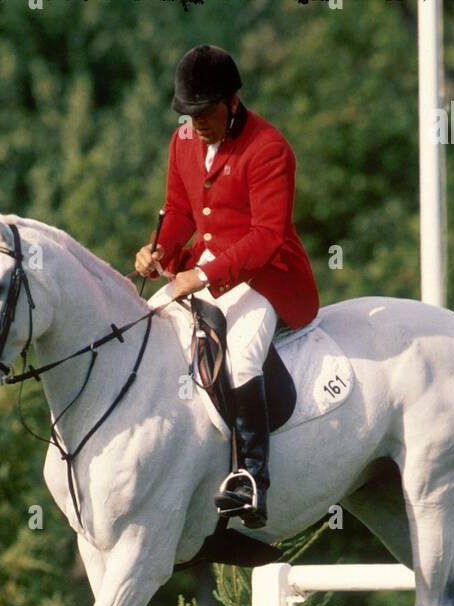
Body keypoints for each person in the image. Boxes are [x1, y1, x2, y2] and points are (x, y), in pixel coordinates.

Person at [135, 44, 319, 528]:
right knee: (148, 322)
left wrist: (204, 275)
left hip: (268, 275)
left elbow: (266, 238)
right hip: (207, 266)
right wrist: (160, 251)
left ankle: (251, 476)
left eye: (205, 114)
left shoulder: (269, 148)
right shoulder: (183, 143)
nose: (197, 124)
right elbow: (177, 210)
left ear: (232, 103)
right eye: (189, 115)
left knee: (240, 350)